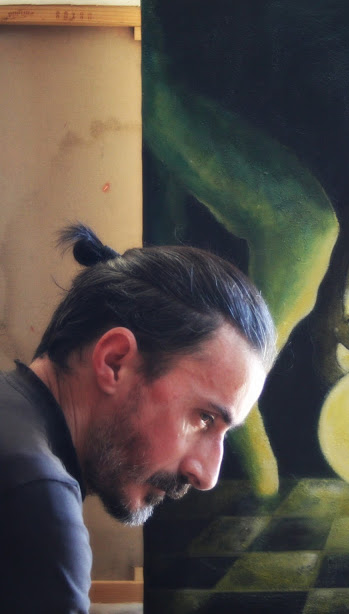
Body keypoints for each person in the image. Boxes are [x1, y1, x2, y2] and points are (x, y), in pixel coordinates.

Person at [0, 224, 277, 613]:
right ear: (114, 361)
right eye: (204, 418)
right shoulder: (36, 497)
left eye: (224, 432)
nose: (208, 476)